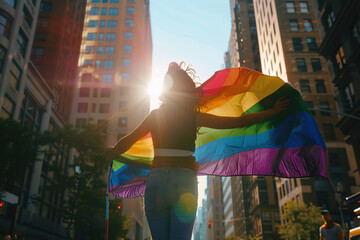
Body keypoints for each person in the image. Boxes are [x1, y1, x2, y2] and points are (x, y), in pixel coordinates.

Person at [106, 62, 289, 240]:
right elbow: (239, 122)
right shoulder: (194, 116)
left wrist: (112, 152)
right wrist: (272, 112)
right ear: (188, 92)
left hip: (156, 183)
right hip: (183, 183)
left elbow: (127, 142)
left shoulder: (155, 116)